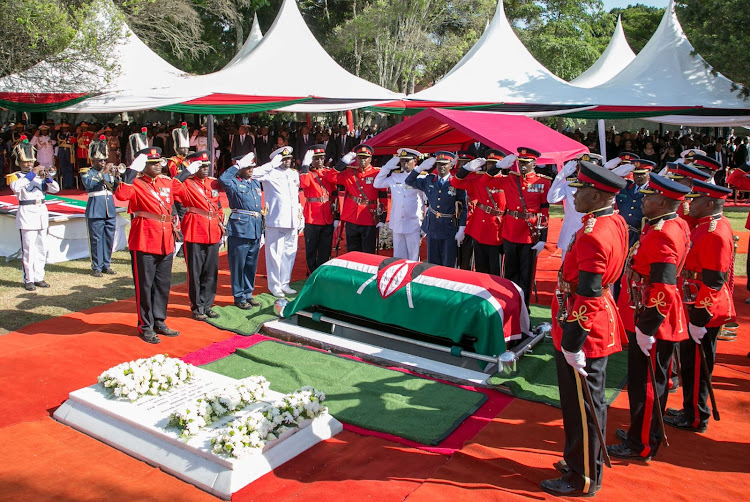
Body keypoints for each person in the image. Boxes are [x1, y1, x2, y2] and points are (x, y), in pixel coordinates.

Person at [543, 160, 628, 498]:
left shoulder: (594, 234)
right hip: (592, 320)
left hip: (584, 327)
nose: (574, 195)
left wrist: (574, 343)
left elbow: (589, 293)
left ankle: (583, 478)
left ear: (595, 195)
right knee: (585, 401)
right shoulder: (611, 221)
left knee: (583, 405)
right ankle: (579, 459)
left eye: (580, 190)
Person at [608, 174, 691, 462]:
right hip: (646, 313)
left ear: (665, 202)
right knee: (646, 380)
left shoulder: (664, 232)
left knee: (646, 384)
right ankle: (640, 432)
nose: (644, 199)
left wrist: (647, 328)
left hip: (651, 317)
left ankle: (642, 443)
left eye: (649, 196)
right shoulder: (667, 224)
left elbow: (663, 286)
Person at [664, 180, 734, 433]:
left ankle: (695, 415)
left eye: (697, 200)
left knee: (696, 364)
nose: (690, 203)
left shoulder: (714, 232)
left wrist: (698, 318)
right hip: (694, 301)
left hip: (702, 306)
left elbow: (714, 281)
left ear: (711, 204)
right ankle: (691, 408)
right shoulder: (705, 225)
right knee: (692, 362)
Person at [114, 146, 181, 343]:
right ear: (143, 166)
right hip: (144, 238)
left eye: (159, 162)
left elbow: (181, 188)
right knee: (145, 285)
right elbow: (121, 196)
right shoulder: (136, 183)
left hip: (165, 238)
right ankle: (145, 325)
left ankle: (159, 320)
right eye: (152, 164)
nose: (158, 166)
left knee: (162, 284)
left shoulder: (165, 182)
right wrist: (131, 171)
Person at [172, 150, 224, 320]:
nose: (205, 169)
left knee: (211, 271)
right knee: (196, 272)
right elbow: (172, 187)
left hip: (213, 230)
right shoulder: (186, 183)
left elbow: (218, 206)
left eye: (207, 166)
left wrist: (221, 224)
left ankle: (208, 304)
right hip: (195, 230)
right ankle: (197, 306)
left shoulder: (212, 183)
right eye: (201, 166)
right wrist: (186, 171)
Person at [499, 147, 551, 307]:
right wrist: (501, 166)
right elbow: (487, 180)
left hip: (529, 234)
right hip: (510, 231)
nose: (522, 166)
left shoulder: (543, 182)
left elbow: (544, 211)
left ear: (534, 163)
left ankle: (523, 308)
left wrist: (543, 238)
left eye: (526, 163)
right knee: (509, 273)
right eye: (520, 162)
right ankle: (508, 305)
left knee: (526, 275)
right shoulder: (510, 179)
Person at [8, 135, 59, 291]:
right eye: (26, 162)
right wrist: (32, 174)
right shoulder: (16, 176)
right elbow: (16, 187)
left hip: (41, 212)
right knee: (29, 248)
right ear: (20, 163)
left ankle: (39, 276)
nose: (29, 164)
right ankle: (28, 278)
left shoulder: (39, 175)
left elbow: (56, 189)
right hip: (27, 212)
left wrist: (48, 177)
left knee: (41, 246)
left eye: (30, 161)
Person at [451, 149, 512, 274]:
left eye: (495, 164)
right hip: (479, 228)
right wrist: (466, 169)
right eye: (490, 163)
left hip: (497, 229)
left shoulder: (507, 180)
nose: (491, 166)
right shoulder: (477, 178)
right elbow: (456, 182)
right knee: (480, 267)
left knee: (495, 268)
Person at [253, 146, 303, 298]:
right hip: (276, 219)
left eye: (289, 159)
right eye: (283, 159)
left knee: (289, 253)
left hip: (292, 219)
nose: (287, 161)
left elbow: (296, 197)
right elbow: (254, 174)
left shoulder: (294, 174)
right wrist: (271, 165)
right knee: (275, 254)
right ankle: (275, 285)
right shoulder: (269, 173)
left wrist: (301, 217)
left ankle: (284, 283)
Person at [404, 151, 466, 266]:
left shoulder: (456, 183)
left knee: (448, 263)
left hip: (449, 228)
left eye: (444, 164)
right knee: (432, 263)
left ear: (451, 165)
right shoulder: (429, 180)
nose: (441, 167)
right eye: (439, 164)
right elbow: (409, 181)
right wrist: (420, 168)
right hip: (432, 226)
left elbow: (463, 207)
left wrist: (462, 229)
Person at [219, 153, 264, 309]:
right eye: (247, 167)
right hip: (240, 228)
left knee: (251, 264)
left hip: (255, 227)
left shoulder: (255, 184)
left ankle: (248, 293)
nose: (251, 169)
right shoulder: (233, 182)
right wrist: (237, 166)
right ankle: (239, 296)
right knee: (239, 264)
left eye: (252, 166)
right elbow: (223, 179)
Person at [330, 144, 388, 254]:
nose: (362, 160)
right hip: (352, 217)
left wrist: (382, 217)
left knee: (368, 251)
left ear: (370, 159)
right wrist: (342, 163)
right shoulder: (350, 173)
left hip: (369, 217)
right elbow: (331, 178)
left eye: (365, 157)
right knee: (352, 251)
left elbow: (383, 195)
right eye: (360, 157)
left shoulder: (377, 173)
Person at [375, 148, 427, 261]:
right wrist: (387, 167)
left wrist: (425, 224)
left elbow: (427, 202)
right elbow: (377, 184)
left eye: (407, 160)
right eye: (402, 160)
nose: (404, 163)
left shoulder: (422, 177)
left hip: (413, 223)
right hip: (397, 222)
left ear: (415, 161)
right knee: (398, 257)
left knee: (413, 259)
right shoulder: (395, 176)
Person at [548, 153, 602, 259]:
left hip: (592, 236)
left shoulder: (601, 188)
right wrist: (561, 176)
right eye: (582, 168)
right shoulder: (569, 185)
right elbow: (551, 198)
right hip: (570, 236)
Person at [81, 135, 119, 277]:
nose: (103, 162)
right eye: (100, 160)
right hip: (96, 209)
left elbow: (116, 188)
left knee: (109, 238)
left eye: (104, 160)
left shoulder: (108, 173)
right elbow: (89, 185)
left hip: (109, 208)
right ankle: (96, 266)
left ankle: (106, 264)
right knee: (96, 239)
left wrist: (115, 175)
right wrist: (103, 173)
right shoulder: (87, 172)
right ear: (93, 160)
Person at [299, 144, 338, 272]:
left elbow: (334, 193)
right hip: (313, 216)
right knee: (311, 247)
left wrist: (336, 215)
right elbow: (304, 184)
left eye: (321, 158)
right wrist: (305, 165)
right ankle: (311, 271)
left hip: (327, 214)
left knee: (325, 247)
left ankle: (322, 271)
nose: (320, 161)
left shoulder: (328, 172)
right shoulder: (307, 173)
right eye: (316, 158)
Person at [454, 151, 477, 271]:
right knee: (454, 254)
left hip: (471, 220)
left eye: (465, 163)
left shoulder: (476, 177)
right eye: (460, 163)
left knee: (467, 254)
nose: (462, 166)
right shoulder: (453, 176)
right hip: (454, 218)